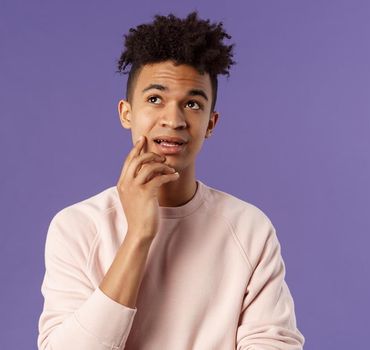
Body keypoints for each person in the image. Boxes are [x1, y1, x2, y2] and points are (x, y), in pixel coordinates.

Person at [37, 11, 305, 349]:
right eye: (154, 99)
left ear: (211, 123)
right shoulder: (77, 226)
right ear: (126, 112)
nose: (174, 119)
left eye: (192, 103)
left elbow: (274, 343)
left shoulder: (249, 228)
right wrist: (138, 236)